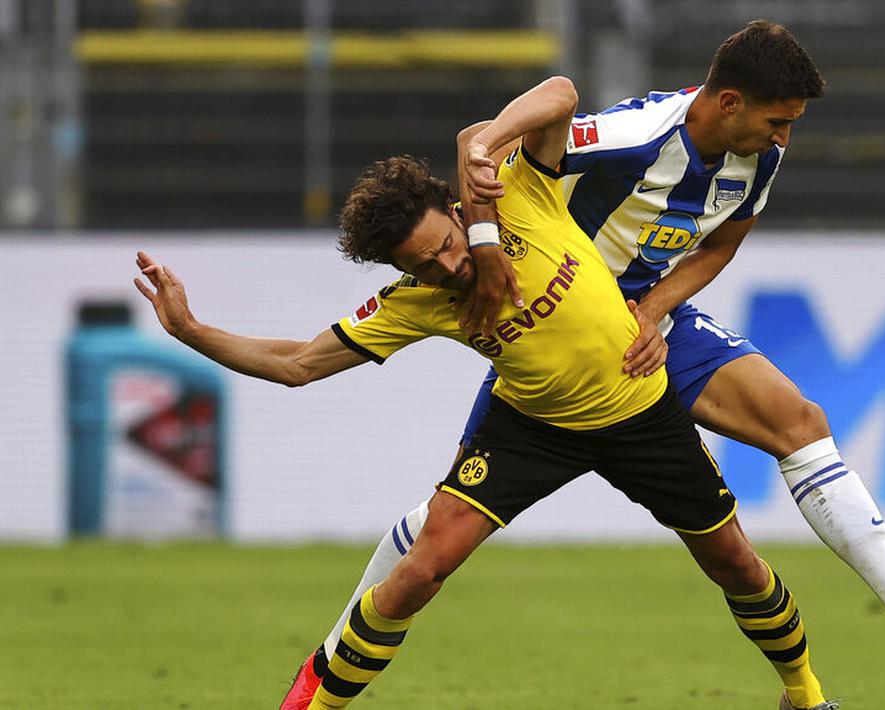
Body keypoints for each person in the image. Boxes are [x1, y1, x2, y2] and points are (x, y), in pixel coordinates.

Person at [297, 19, 885, 698]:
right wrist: (483, 199)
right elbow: (510, 141)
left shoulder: (757, 156)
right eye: (777, 121)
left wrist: (648, 310)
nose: (783, 138)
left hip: (649, 328)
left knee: (797, 422)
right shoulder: (631, 136)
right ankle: (325, 666)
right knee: (438, 530)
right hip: (552, 333)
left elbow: (720, 243)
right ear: (731, 102)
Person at [136, 76, 839, 710]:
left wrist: (486, 174)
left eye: (444, 244)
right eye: (425, 265)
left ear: (452, 208)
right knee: (420, 571)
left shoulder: (518, 189)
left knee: (737, 566)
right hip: (529, 428)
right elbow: (297, 364)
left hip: (639, 410)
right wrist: (193, 330)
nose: (447, 267)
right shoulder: (418, 301)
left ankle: (803, 697)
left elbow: (560, 92)